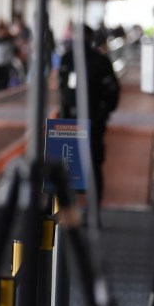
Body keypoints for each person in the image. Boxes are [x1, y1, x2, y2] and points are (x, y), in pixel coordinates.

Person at [57, 24, 121, 202]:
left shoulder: (99, 61)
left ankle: (91, 211)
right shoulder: (68, 59)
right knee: (68, 166)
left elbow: (112, 91)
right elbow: (63, 89)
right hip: (70, 120)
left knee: (90, 164)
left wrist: (102, 113)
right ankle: (70, 213)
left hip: (91, 121)